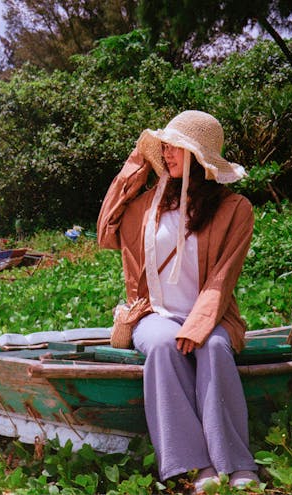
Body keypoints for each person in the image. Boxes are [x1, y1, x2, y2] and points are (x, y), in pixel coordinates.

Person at [97, 110, 259, 492]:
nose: (167, 154)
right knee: (160, 346)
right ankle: (195, 465)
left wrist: (199, 325)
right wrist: (138, 161)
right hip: (155, 314)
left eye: (176, 148)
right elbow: (106, 229)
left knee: (216, 346)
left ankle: (236, 463)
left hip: (213, 315)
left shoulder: (236, 209)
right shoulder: (148, 206)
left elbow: (223, 278)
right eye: (164, 148)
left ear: (200, 156)